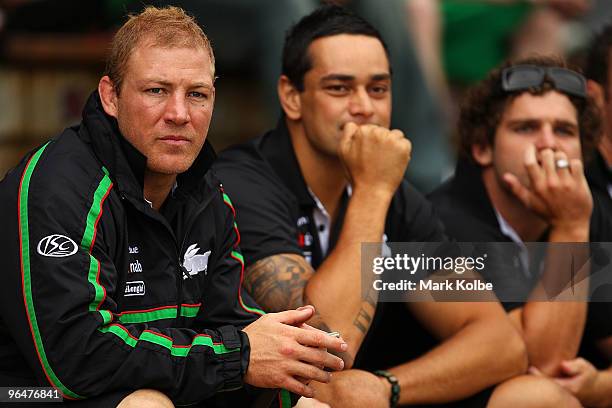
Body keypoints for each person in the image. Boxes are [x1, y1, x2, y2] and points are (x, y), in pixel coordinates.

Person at [211, 5, 574, 407]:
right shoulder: (246, 183)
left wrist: (388, 387)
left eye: (378, 89)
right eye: (339, 88)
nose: (364, 106)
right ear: (291, 97)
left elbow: (502, 345)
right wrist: (371, 191)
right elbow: (331, 346)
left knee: (535, 395)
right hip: (259, 397)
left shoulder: (393, 195)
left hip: (363, 394)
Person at [0, 6, 348, 408]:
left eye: (196, 94)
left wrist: (278, 356)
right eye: (156, 91)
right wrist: (239, 355)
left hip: (147, 379)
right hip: (27, 391)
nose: (179, 114)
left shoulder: (205, 192)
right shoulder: (58, 188)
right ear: (110, 96)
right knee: (147, 404)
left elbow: (229, 323)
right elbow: (77, 357)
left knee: (309, 402)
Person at [428, 55, 612, 407]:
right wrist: (571, 228)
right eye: (526, 128)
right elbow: (541, 364)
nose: (548, 144)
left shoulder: (588, 205)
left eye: (564, 130)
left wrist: (601, 385)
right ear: (482, 149)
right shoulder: (446, 220)